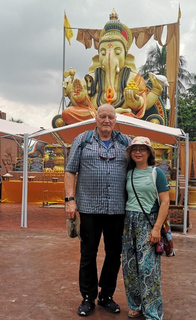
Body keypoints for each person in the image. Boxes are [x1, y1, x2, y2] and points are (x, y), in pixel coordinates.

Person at [65, 104, 131, 316]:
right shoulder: (82, 140)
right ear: (96, 117)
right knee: (88, 253)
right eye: (102, 116)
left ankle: (106, 295)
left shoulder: (125, 142)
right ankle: (87, 297)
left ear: (115, 119)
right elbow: (70, 171)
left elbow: (137, 169)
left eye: (110, 117)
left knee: (114, 253)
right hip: (89, 207)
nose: (106, 120)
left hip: (117, 208)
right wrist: (69, 200)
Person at [122, 136, 170, 320]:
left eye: (142, 149)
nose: (138, 152)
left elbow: (165, 202)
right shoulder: (129, 173)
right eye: (134, 149)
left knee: (148, 268)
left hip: (148, 222)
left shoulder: (157, 173)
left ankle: (152, 311)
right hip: (129, 222)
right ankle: (135, 305)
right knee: (130, 267)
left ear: (149, 152)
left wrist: (157, 228)